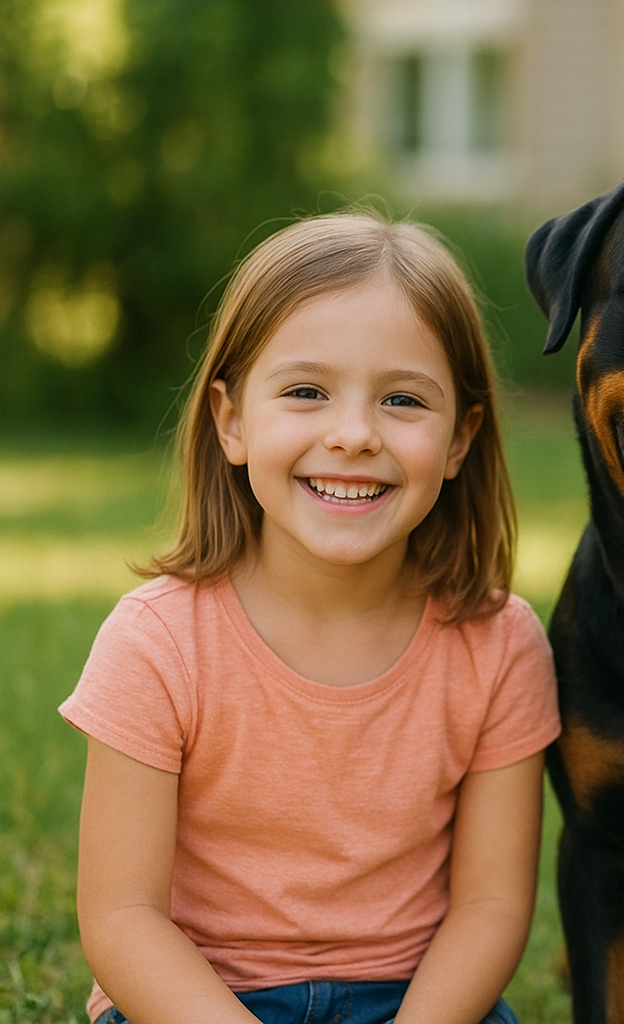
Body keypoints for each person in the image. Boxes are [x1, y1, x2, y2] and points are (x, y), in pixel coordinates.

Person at [60, 211, 560, 1024]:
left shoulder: (499, 646)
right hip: (202, 1002)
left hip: (416, 1003)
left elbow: (492, 906)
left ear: (462, 437)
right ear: (231, 422)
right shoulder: (155, 643)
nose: (354, 434)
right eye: (305, 392)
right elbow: (123, 918)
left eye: (403, 400)